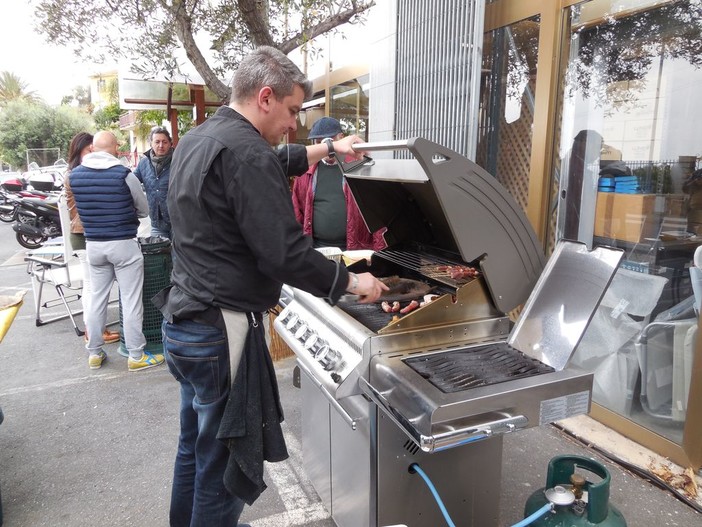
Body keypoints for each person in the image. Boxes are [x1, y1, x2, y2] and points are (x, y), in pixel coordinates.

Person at [154, 45, 387, 527]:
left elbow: (274, 158)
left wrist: (330, 148)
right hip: (221, 330)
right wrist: (350, 281)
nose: (295, 124)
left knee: (194, 452)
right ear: (265, 97)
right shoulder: (246, 153)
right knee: (221, 471)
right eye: (293, 111)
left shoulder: (200, 139)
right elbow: (284, 253)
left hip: (182, 323)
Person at [69, 131, 162, 372]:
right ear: (114, 148)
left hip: (93, 245)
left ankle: (94, 352)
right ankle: (136, 355)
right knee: (131, 300)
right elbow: (143, 209)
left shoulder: (75, 176)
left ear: (93, 148)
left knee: (96, 300)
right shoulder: (123, 174)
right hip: (123, 244)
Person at [292, 116, 386, 250]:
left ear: (341, 137)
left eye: (330, 140)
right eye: (318, 142)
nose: (325, 147)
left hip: (353, 250)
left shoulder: (359, 167)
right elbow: (297, 213)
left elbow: (377, 211)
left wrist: (379, 251)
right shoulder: (304, 173)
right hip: (317, 249)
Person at [63, 132, 120, 345]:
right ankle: (94, 330)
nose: (94, 154)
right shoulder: (77, 176)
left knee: (93, 286)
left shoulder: (75, 174)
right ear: (79, 152)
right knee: (92, 287)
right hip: (84, 235)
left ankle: (95, 330)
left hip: (84, 235)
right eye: (89, 150)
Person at [134, 126, 174, 239]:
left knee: (178, 255)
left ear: (170, 143)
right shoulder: (143, 163)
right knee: (159, 254)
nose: (161, 146)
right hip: (157, 223)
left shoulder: (179, 160)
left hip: (178, 222)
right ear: (151, 143)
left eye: (164, 142)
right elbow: (132, 182)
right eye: (157, 142)